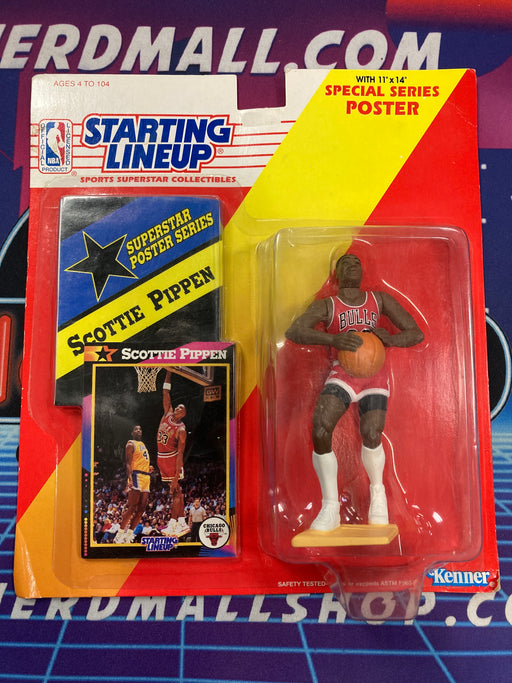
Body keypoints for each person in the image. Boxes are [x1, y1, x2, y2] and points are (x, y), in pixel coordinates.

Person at [285, 252, 424, 531]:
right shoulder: (328, 305)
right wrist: (331, 339)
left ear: (362, 272)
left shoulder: (379, 299)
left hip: (374, 374)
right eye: (345, 263)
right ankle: (330, 506)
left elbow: (416, 333)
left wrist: (391, 339)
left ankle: (377, 494)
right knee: (321, 427)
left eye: (357, 263)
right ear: (336, 274)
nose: (352, 266)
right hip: (343, 373)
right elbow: (295, 331)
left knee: (372, 433)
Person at [157, 370, 190, 538]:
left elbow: (180, 454)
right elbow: (165, 392)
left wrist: (177, 474)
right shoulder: (167, 413)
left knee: (175, 490)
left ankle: (172, 523)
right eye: (178, 406)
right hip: (161, 458)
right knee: (178, 491)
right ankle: (182, 522)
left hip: (172, 459)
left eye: (181, 408)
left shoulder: (181, 429)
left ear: (184, 414)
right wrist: (169, 373)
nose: (178, 408)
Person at [114, 425, 153, 543]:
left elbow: (141, 460)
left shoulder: (143, 444)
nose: (139, 431)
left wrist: (148, 468)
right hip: (136, 476)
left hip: (146, 476)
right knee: (132, 507)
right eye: (136, 429)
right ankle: (119, 534)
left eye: (140, 429)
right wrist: (130, 478)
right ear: (132, 433)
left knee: (142, 509)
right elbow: (128, 463)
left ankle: (129, 535)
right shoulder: (130, 444)